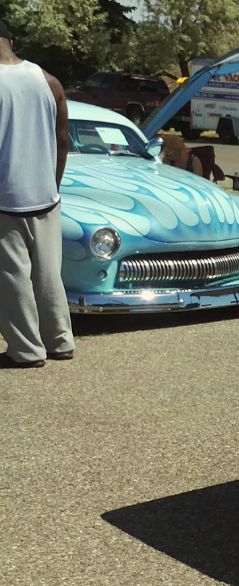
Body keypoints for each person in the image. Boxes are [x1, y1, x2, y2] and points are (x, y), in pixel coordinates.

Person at [0, 19, 74, 369]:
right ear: (11, 40)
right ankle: (60, 340)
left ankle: (26, 350)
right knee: (48, 274)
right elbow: (63, 138)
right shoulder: (48, 80)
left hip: (5, 196)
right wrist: (53, 183)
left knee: (12, 277)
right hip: (45, 194)